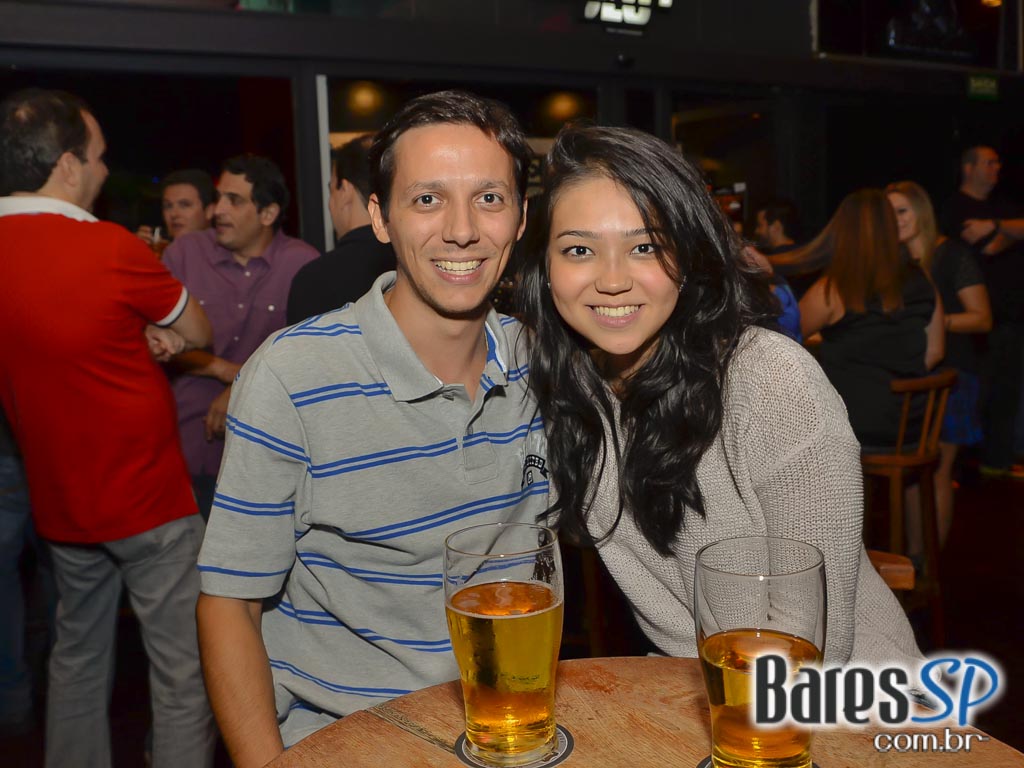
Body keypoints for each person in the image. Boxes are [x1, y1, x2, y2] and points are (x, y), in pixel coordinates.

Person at [195, 90, 548, 767]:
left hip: (508, 733)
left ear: (521, 217)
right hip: (344, 742)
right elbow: (228, 606)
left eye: (489, 199)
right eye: (426, 200)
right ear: (380, 218)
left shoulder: (543, 366)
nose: (461, 229)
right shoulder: (292, 376)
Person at [518, 124, 921, 668]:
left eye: (645, 247)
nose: (612, 280)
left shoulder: (771, 383)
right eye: (579, 249)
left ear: (688, 259)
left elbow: (816, 647)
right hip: (694, 694)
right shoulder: (570, 386)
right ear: (545, 269)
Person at [0, 88, 215, 768]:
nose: (101, 171)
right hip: (149, 502)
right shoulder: (108, 247)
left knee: (78, 663)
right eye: (97, 158)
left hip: (63, 503)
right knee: (182, 673)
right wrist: (157, 334)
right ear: (66, 164)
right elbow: (197, 332)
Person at [162, 155, 318, 518]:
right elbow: (160, 344)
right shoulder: (185, 253)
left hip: (268, 452)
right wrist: (226, 371)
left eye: (234, 200)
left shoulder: (302, 264)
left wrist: (240, 385)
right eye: (218, 199)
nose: (217, 210)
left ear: (267, 214)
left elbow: (311, 360)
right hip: (187, 446)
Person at [887, 181, 992, 546]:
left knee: (937, 472)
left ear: (921, 212)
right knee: (915, 473)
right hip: (909, 377)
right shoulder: (892, 264)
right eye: (888, 213)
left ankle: (929, 556)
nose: (895, 220)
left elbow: (982, 318)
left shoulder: (951, 255)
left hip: (952, 377)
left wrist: (933, 320)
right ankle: (915, 561)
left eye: (901, 210)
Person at [798, 189, 944, 449]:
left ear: (842, 230)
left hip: (856, 427)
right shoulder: (921, 277)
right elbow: (935, 351)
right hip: (913, 425)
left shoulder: (835, 287)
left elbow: (781, 338)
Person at [941, 146, 1024, 476]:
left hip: (1012, 318)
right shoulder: (955, 207)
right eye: (989, 162)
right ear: (968, 167)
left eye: (998, 162)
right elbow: (988, 247)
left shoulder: (1001, 208)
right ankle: (956, 469)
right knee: (975, 395)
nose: (997, 167)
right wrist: (1011, 234)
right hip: (974, 323)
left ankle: (997, 464)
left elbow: (996, 237)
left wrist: (997, 225)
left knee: (1007, 393)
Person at [286, 134, 396, 323]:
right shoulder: (411, 263)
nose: (330, 204)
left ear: (344, 191)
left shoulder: (314, 280)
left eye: (331, 190)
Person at [136, 168, 216, 251]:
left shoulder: (226, 256)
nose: (174, 214)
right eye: (168, 206)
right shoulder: (162, 253)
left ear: (209, 211)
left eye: (184, 205)